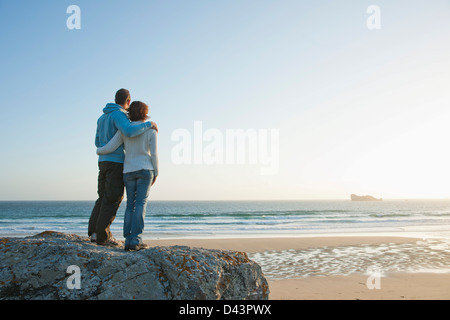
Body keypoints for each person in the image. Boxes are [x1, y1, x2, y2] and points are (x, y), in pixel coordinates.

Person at [88, 89, 158, 246]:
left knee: (103, 196)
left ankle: (93, 232)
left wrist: (102, 151)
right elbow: (128, 131)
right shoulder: (119, 115)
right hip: (116, 162)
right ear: (128, 102)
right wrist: (149, 124)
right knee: (113, 198)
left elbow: (97, 141)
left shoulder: (101, 117)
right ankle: (103, 236)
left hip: (103, 161)